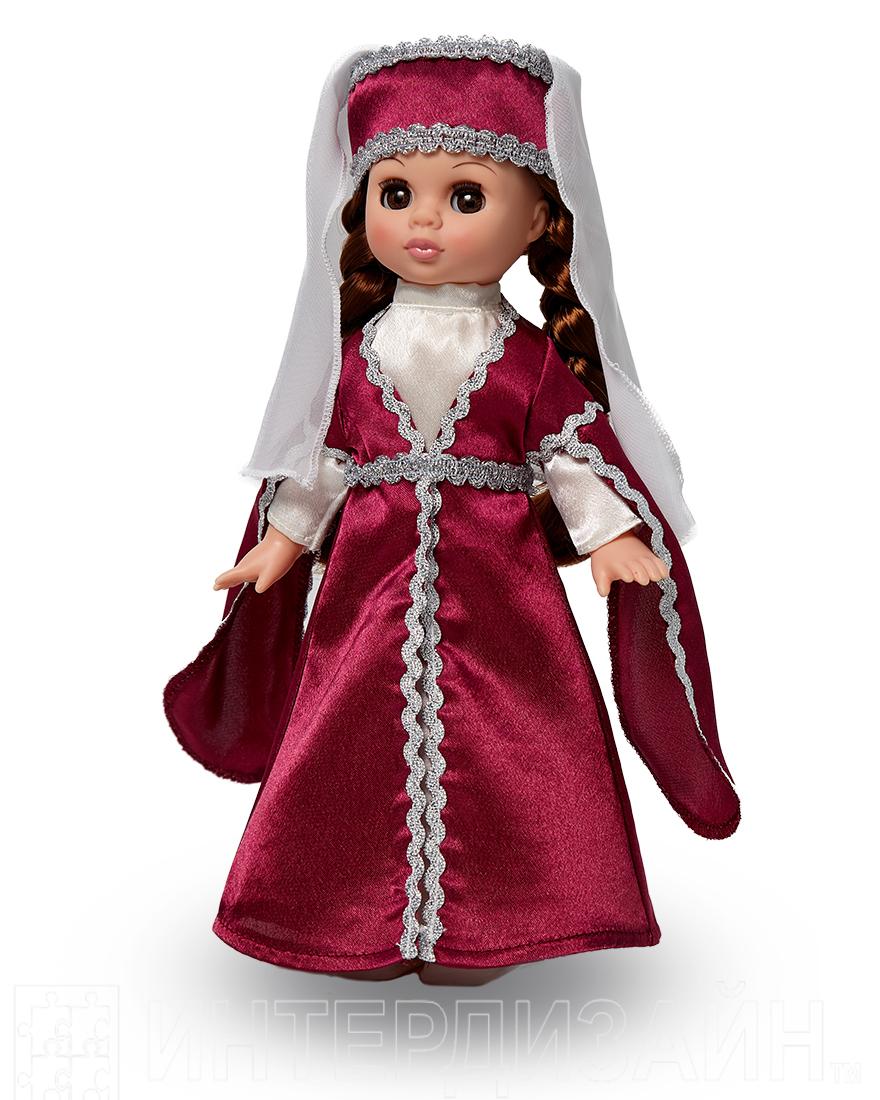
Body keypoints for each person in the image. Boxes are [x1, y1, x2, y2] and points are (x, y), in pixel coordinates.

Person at [164, 36, 740, 986]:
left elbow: (571, 456)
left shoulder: (531, 359)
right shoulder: (354, 356)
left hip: (503, 595)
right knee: (347, 744)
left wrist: (610, 538)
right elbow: (326, 460)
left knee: (521, 744)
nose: (424, 220)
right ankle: (344, 919)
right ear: (361, 206)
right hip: (367, 595)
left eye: (466, 198)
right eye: (397, 194)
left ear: (537, 221)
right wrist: (283, 542)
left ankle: (502, 921)